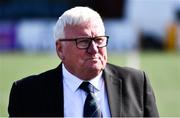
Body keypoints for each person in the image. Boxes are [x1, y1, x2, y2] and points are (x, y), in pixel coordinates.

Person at [8, 6, 159, 117]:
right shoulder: (26, 93)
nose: (94, 49)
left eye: (99, 40)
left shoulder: (137, 83)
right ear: (60, 49)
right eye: (83, 41)